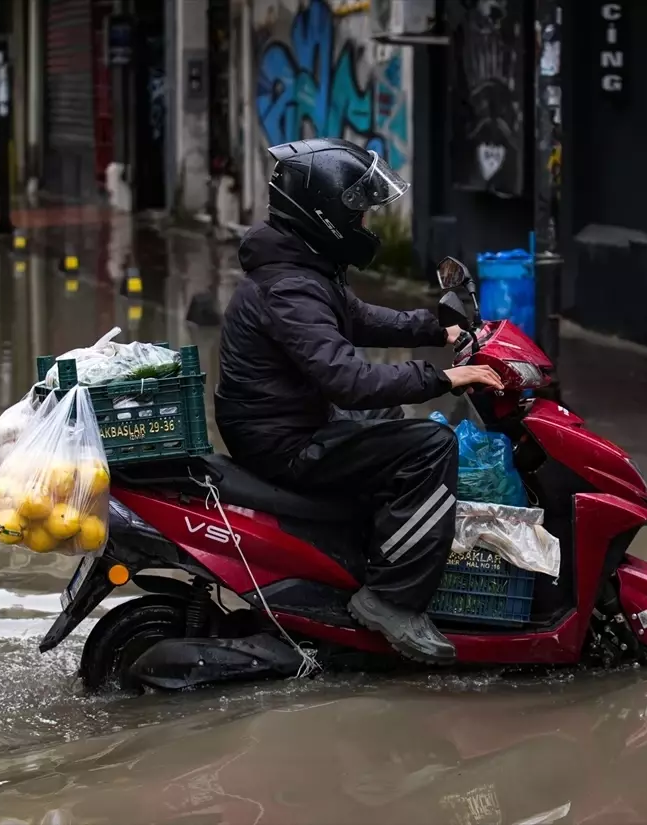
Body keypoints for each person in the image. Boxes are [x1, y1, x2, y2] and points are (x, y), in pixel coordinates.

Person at [215, 138, 503, 665]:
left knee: (386, 418)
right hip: (283, 443)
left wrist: (440, 326)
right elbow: (346, 379)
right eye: (362, 215)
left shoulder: (303, 266)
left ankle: (360, 556)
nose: (368, 227)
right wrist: (445, 379)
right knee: (431, 444)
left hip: (284, 422)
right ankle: (392, 599)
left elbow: (359, 318)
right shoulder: (291, 287)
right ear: (325, 215)